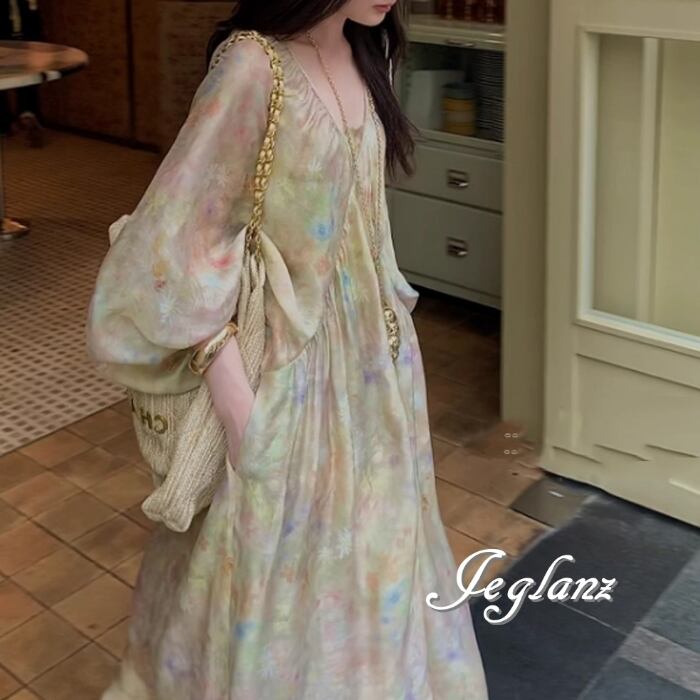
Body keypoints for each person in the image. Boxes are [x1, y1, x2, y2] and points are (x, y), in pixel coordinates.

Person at [86, 1, 489, 698]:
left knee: (379, 566)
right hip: (286, 379)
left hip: (378, 376)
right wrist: (236, 400)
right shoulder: (253, 66)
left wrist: (396, 336)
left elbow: (365, 227)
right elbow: (172, 241)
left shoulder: (370, 52)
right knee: (270, 583)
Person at [0, 0, 44, 147]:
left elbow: (33, 20)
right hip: (3, 45)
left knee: (27, 82)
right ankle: (4, 124)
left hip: (25, 44)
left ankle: (28, 117)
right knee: (2, 84)